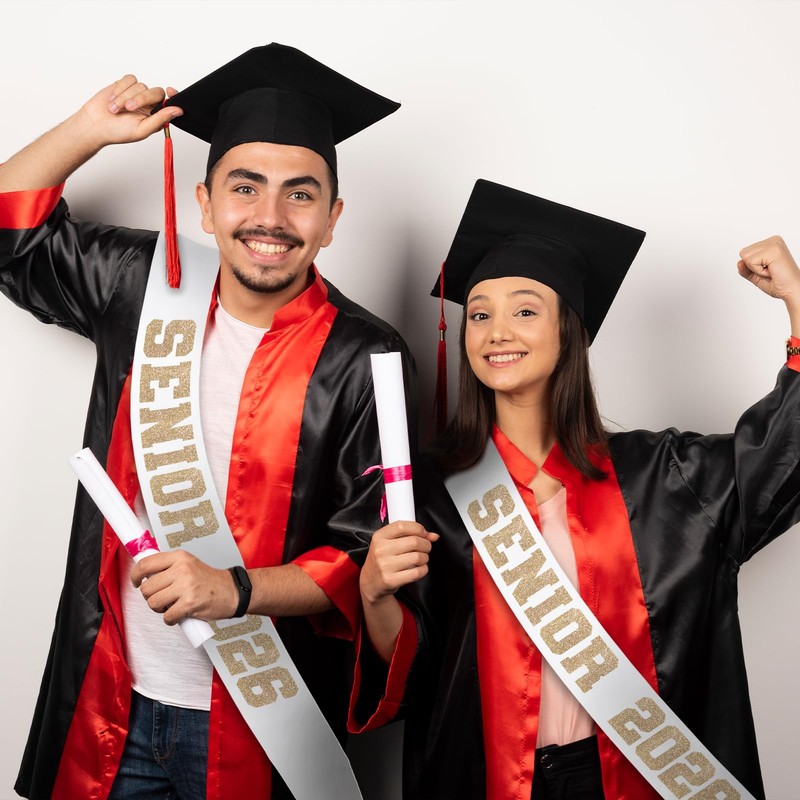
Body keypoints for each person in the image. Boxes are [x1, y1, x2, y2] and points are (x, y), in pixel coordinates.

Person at [0, 44, 414, 800]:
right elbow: (9, 233)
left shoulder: (366, 355)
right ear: (204, 201)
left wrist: (235, 589)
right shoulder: (143, 286)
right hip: (112, 700)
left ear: (332, 218)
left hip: (261, 722)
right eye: (245, 187)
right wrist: (87, 130)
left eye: (300, 194)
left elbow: (366, 557)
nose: (269, 217)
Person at [351, 179, 800, 800]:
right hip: (493, 779)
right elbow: (418, 666)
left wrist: (799, 302)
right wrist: (374, 593)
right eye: (479, 314)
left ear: (572, 331)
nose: (495, 331)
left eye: (525, 310)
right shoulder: (430, 493)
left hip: (632, 776)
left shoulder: (665, 476)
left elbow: (782, 456)